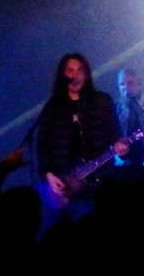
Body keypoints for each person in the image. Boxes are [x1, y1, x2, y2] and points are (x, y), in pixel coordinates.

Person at [35, 53, 129, 212]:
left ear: (86, 75)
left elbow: (116, 136)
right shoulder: (53, 106)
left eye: (80, 71)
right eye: (70, 71)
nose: (75, 76)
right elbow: (42, 146)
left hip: (100, 182)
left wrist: (122, 149)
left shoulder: (102, 101)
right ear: (62, 75)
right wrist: (49, 175)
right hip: (63, 185)